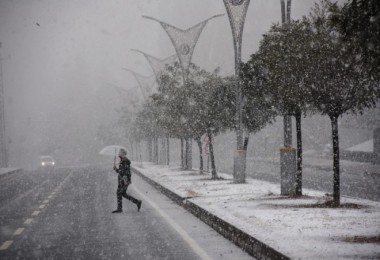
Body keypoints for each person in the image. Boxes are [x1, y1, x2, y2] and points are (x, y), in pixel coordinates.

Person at [112, 148, 142, 213]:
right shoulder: (123, 160)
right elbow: (122, 171)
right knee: (123, 194)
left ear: (123, 154)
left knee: (119, 193)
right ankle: (137, 202)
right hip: (123, 180)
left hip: (123, 180)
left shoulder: (125, 161)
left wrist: (125, 180)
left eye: (120, 152)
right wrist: (116, 169)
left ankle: (120, 208)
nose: (119, 153)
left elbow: (124, 172)